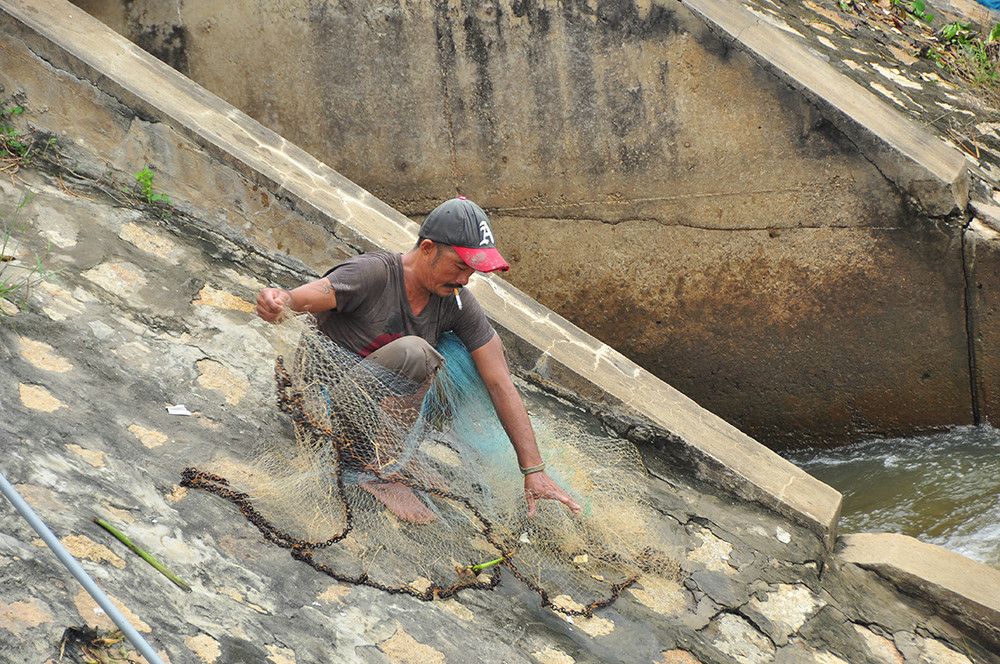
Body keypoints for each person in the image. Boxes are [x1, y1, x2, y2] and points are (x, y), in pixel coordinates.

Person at [256, 196, 581, 524]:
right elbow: (302, 297)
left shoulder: (454, 301)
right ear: (427, 248)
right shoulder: (373, 273)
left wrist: (534, 469)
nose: (465, 280)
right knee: (418, 353)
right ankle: (378, 472)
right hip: (321, 408)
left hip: (373, 414)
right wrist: (278, 300)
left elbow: (500, 382)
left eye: (471, 272)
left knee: (465, 364)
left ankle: (395, 453)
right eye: (459, 266)